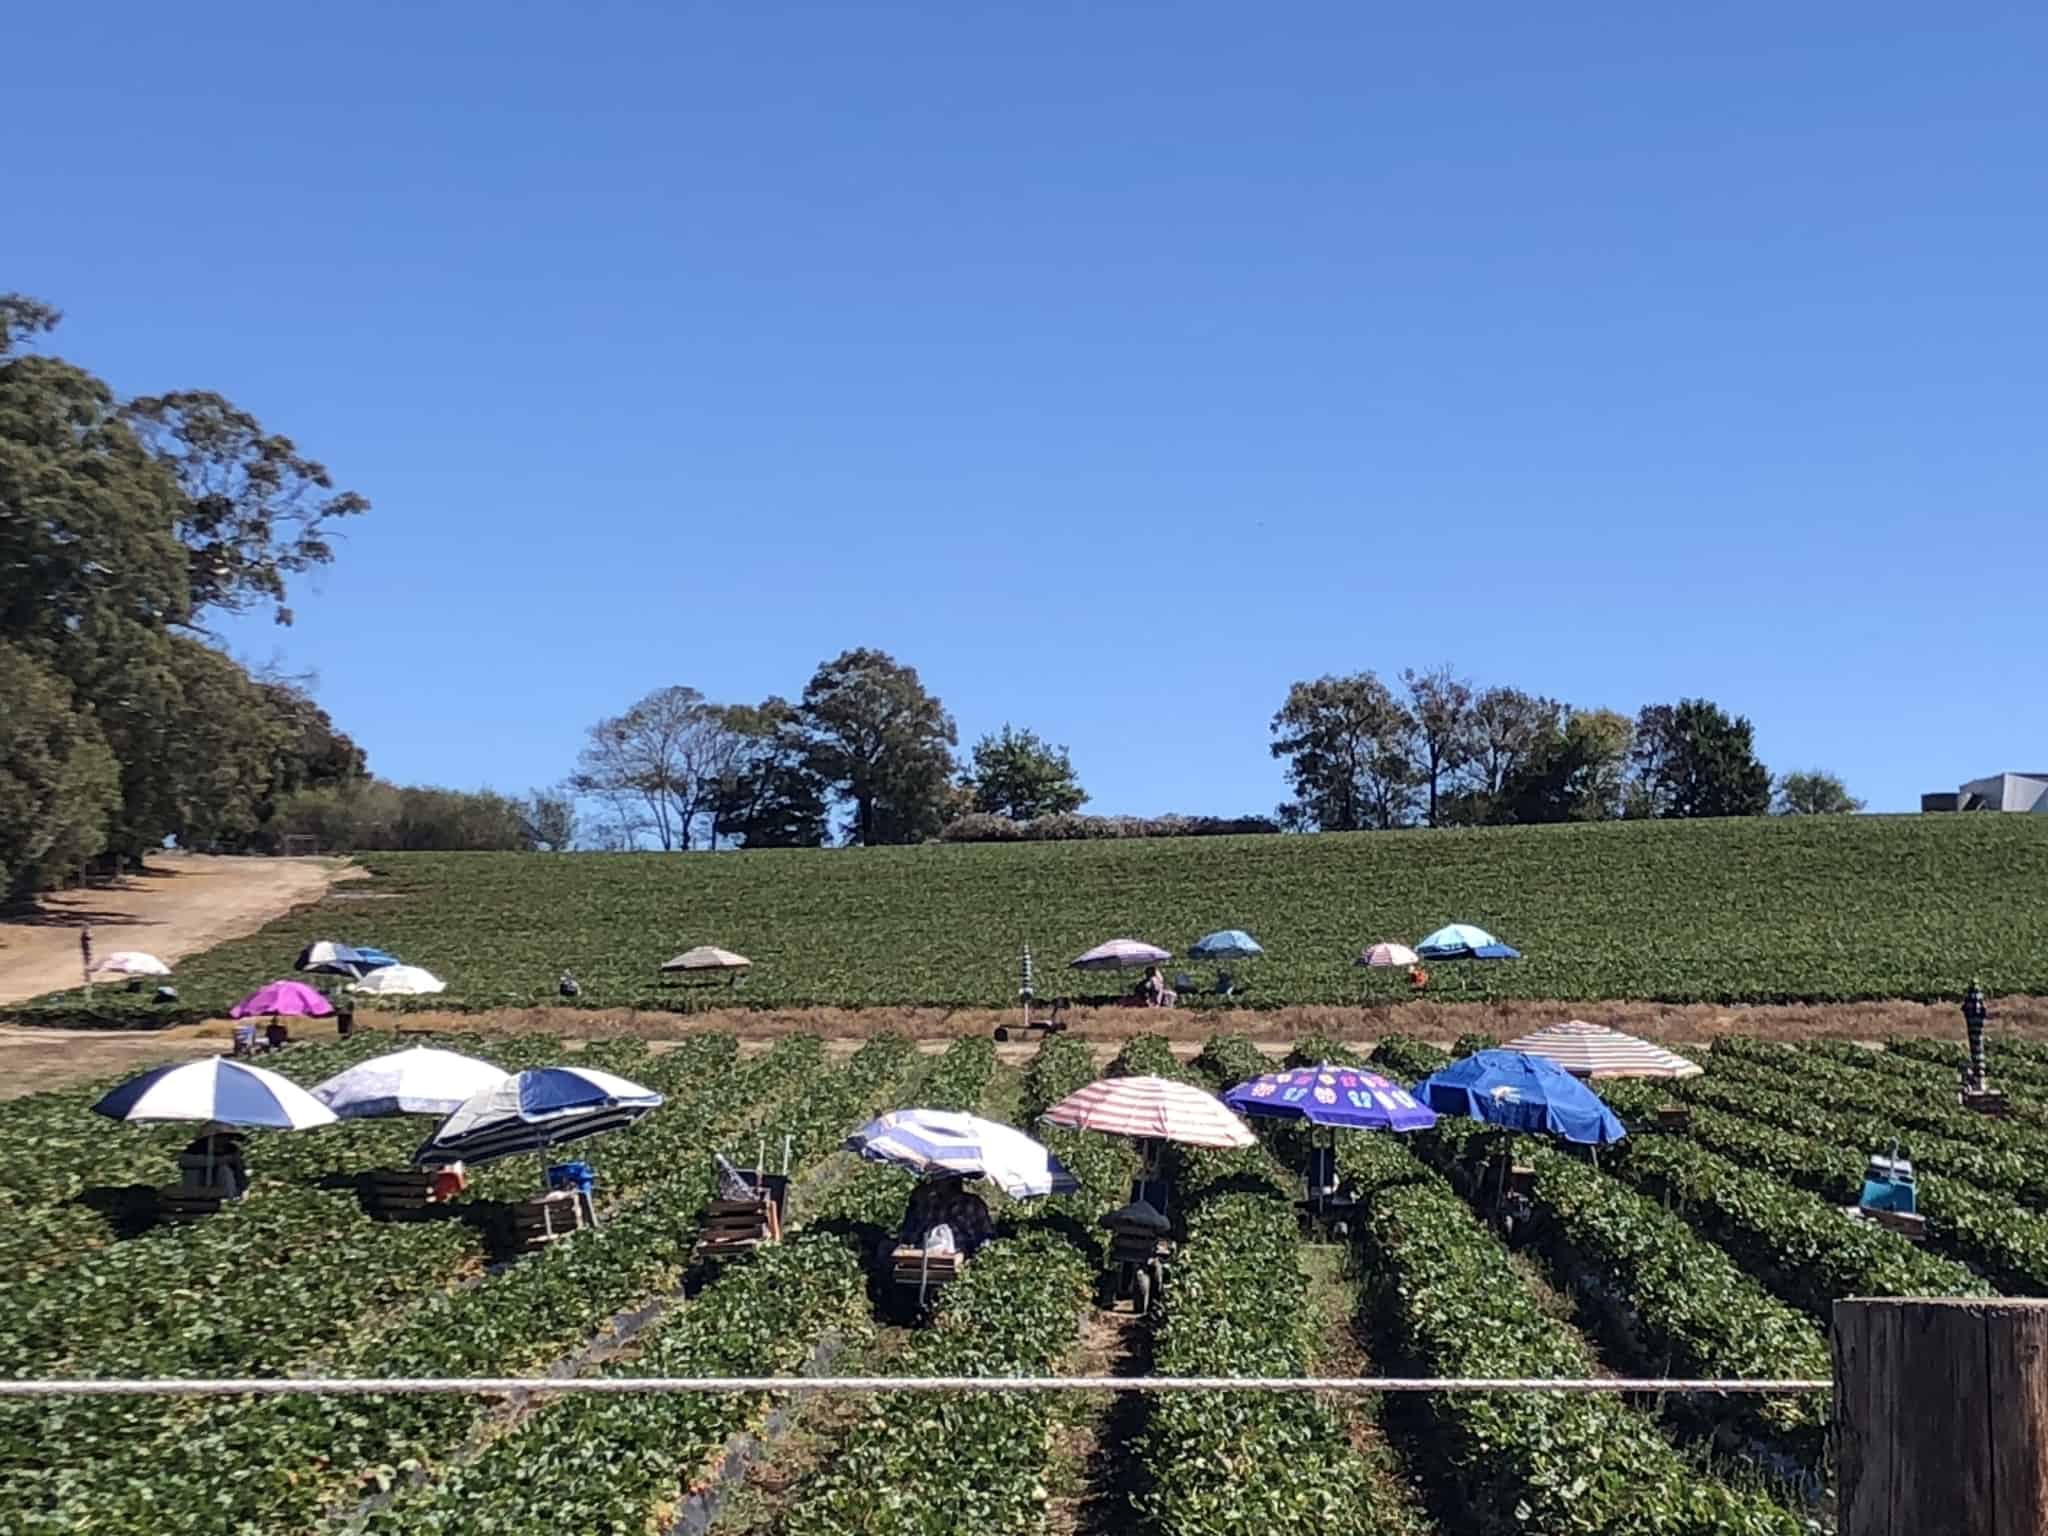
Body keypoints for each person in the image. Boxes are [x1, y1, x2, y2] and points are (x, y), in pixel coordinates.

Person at [899, 1174, 994, 1256]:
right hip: (928, 1256)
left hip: (961, 1259)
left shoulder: (972, 1204)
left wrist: (970, 1253)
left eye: (940, 1179)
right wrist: (916, 1203)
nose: (935, 1183)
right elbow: (912, 1236)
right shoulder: (930, 1203)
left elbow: (986, 1237)